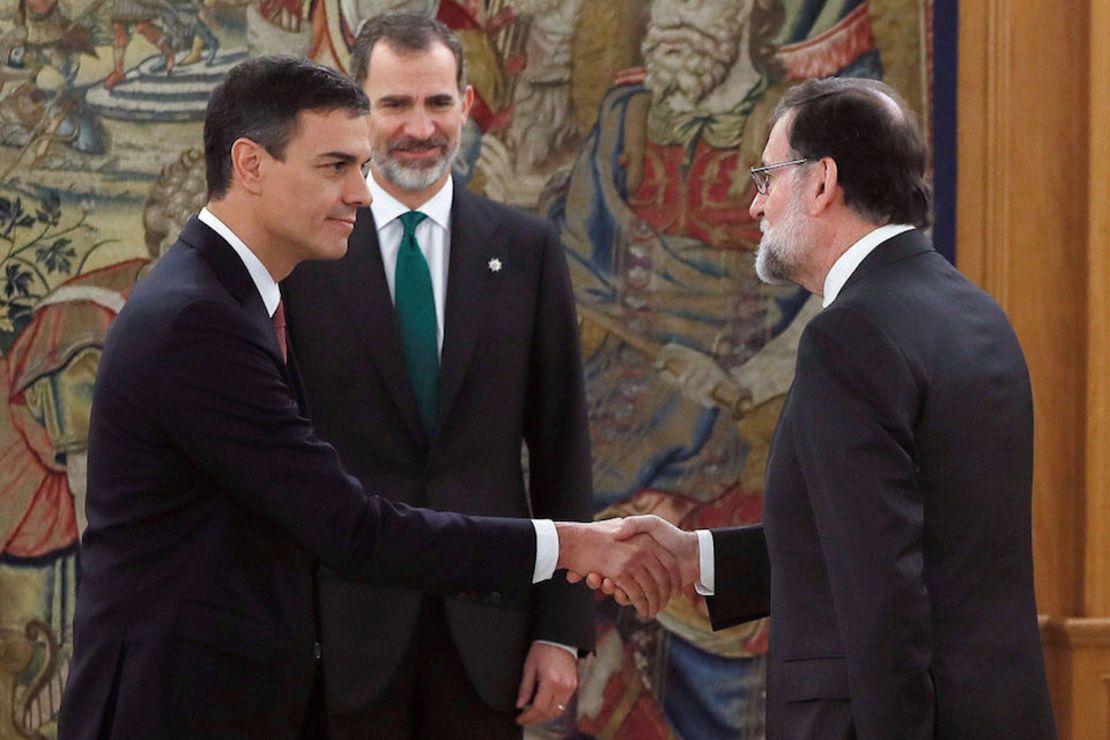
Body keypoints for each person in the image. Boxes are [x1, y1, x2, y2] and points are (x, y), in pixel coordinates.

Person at [55, 54, 679, 740]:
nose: (361, 192)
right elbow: (351, 528)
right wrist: (569, 546)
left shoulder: (229, 297)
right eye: (335, 167)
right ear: (251, 164)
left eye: (360, 165)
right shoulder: (198, 321)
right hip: (180, 707)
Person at [594, 77, 1058, 739]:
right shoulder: (979, 314)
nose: (755, 205)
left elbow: (882, 594)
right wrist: (695, 556)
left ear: (821, 183)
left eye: (766, 176)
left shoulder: (850, 335)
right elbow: (881, 545)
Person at [281, 13, 591, 739]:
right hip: (338, 639)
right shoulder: (303, 259)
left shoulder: (528, 251)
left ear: (467, 102)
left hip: (489, 634)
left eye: (437, 102)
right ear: (356, 111)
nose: (420, 127)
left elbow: (561, 453)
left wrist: (560, 631)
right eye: (394, 105)